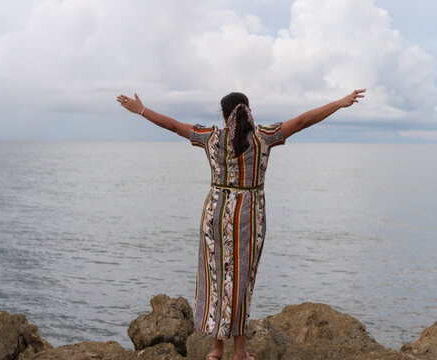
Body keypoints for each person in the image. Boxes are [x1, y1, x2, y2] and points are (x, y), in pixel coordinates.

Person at [116, 89, 366, 360]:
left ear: (224, 116)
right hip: (249, 214)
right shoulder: (263, 136)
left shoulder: (211, 136)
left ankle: (214, 350)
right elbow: (304, 121)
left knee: (216, 280)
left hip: (215, 212)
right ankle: (240, 352)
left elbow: (174, 125)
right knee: (241, 282)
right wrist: (339, 103)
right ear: (248, 110)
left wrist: (141, 110)